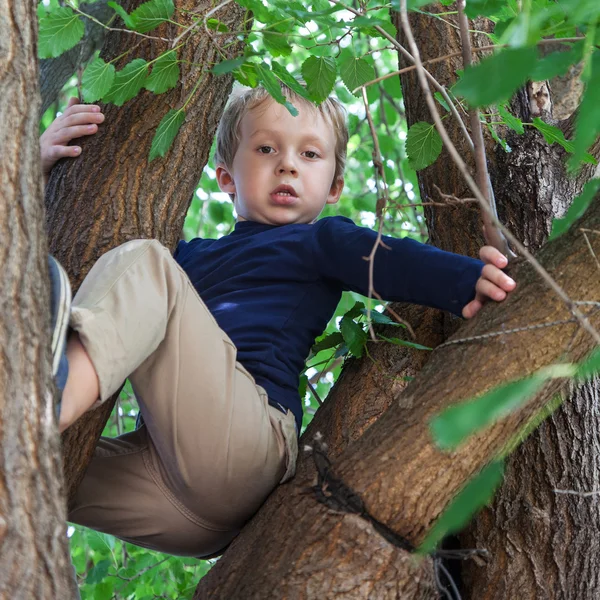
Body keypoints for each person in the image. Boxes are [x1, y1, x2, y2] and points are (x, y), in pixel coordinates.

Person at [42, 85, 516, 558]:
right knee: (36, 465)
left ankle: (42, 398)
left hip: (245, 452)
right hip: (174, 503)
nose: (287, 164)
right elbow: (84, 273)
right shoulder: (185, 260)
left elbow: (389, 261)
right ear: (226, 177)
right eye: (266, 148)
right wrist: (39, 171)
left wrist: (467, 279)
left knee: (142, 260)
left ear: (333, 188)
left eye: (310, 154)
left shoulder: (317, 243)